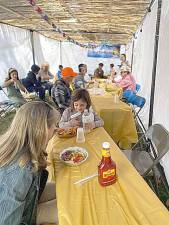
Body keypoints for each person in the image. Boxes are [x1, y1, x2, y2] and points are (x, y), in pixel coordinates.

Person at [0, 101, 60, 225]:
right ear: (41, 129)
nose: (56, 128)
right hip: (22, 217)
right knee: (68, 209)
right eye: (53, 125)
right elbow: (7, 221)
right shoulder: (21, 169)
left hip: (29, 199)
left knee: (66, 190)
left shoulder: (20, 147)